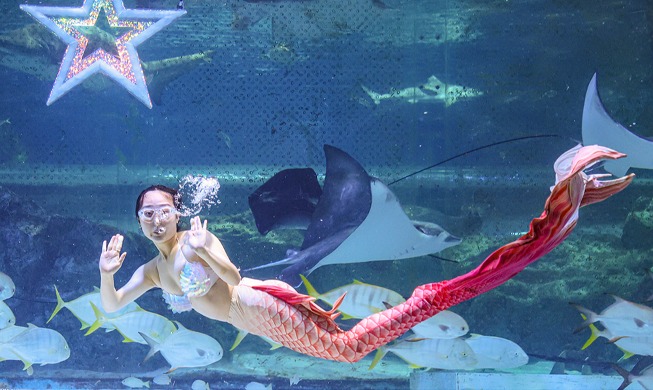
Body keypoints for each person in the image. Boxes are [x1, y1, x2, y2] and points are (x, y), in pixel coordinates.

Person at [99, 145, 633, 363]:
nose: (155, 217)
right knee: (349, 350)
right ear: (139, 220)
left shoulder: (197, 238)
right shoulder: (150, 269)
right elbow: (116, 305)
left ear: (176, 209)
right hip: (256, 322)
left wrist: (207, 253)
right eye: (146, 212)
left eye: (162, 208)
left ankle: (429, 296)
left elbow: (234, 276)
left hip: (256, 306)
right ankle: (563, 206)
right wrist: (106, 273)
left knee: (352, 348)